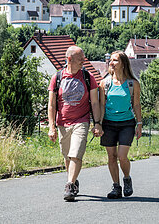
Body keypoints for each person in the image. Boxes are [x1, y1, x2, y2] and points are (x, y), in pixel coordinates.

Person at [48, 46, 102, 202]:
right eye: (80, 60)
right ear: (69, 59)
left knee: (76, 154)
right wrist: (51, 127)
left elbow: (95, 102)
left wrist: (97, 123)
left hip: (81, 121)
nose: (83, 62)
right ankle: (73, 179)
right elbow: (51, 105)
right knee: (67, 156)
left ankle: (70, 185)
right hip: (62, 123)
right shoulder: (57, 78)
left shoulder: (87, 77)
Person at [99, 51, 142, 199]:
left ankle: (127, 178)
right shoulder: (105, 83)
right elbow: (101, 105)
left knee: (122, 156)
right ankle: (116, 187)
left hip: (127, 123)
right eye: (111, 60)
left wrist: (140, 123)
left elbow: (136, 105)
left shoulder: (133, 84)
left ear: (123, 63)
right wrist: (98, 124)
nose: (111, 63)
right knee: (111, 157)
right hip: (108, 124)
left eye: (115, 60)